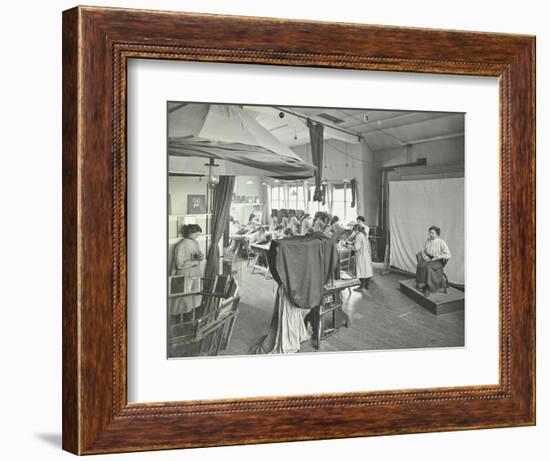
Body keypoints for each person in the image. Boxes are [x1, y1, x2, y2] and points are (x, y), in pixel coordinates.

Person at [170, 224, 204, 323]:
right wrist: (194, 262)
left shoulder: (195, 243)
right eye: (196, 234)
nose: (197, 237)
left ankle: (191, 317)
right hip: (185, 274)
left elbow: (198, 253)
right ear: (190, 233)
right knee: (184, 299)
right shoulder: (180, 246)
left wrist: (200, 257)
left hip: (195, 272)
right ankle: (181, 320)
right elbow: (179, 265)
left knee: (194, 296)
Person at [415, 225, 451, 296]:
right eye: (430, 233)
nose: (430, 234)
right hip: (429, 259)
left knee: (428, 267)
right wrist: (426, 257)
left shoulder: (441, 242)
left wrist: (437, 257)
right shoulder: (428, 240)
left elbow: (448, 255)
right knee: (421, 265)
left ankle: (428, 287)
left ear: (437, 234)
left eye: (432, 233)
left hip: (438, 261)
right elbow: (424, 250)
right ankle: (422, 283)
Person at [348, 223, 373, 291]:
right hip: (366, 254)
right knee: (366, 270)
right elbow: (362, 243)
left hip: (361, 255)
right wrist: (354, 242)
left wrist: (350, 246)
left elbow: (356, 248)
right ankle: (366, 285)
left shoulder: (358, 236)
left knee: (361, 270)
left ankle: (361, 286)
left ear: (357, 230)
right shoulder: (363, 234)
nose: (354, 232)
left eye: (355, 230)